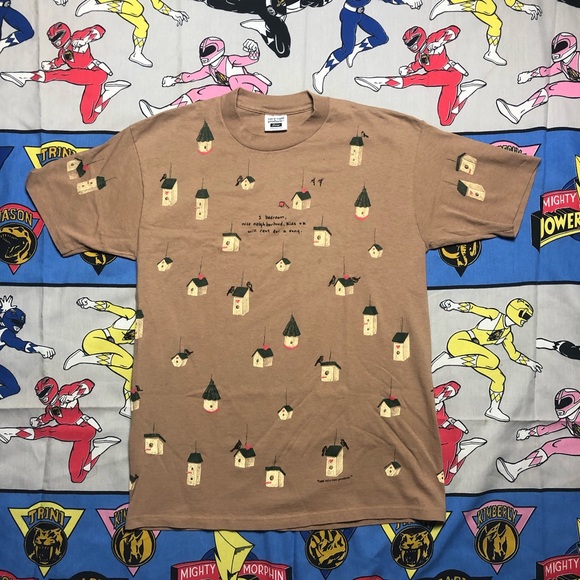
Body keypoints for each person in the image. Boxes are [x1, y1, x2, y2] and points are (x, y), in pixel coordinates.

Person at [432, 297, 542, 422]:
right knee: (493, 360)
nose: (525, 319)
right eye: (525, 315)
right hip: (460, 342)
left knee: (499, 378)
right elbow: (472, 308)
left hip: (474, 353)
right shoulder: (495, 316)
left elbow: (513, 354)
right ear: (516, 311)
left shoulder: (507, 334)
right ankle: (447, 360)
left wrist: (530, 363)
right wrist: (453, 305)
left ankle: (493, 409)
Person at [0, 22, 130, 124]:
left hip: (96, 73)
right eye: (53, 39)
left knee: (61, 75)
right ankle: (109, 92)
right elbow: (59, 61)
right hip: (90, 80)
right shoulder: (63, 52)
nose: (55, 41)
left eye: (57, 37)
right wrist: (50, 64)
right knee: (88, 118)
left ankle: (25, 77)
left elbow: (98, 30)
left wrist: (86, 39)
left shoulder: (76, 37)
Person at [355, 25, 485, 126]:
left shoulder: (432, 39)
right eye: (409, 43)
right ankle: (466, 93)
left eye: (413, 41)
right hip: (447, 81)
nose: (412, 45)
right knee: (445, 120)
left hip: (452, 74)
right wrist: (407, 69)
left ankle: (380, 82)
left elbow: (453, 30)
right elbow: (415, 66)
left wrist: (440, 42)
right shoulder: (419, 56)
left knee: (419, 79)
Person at [0, 377, 120, 483]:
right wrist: (37, 421)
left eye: (45, 392)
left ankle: (11, 432)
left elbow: (88, 384)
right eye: (40, 394)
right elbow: (45, 418)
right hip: (79, 437)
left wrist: (73, 396)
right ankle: (99, 449)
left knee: (47, 431)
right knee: (77, 477)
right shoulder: (50, 409)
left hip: (85, 429)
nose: (43, 396)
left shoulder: (64, 391)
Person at [139, 37, 270, 117]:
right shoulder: (209, 68)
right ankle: (162, 112)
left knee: (234, 80)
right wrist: (174, 80)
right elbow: (192, 76)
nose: (204, 54)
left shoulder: (230, 60)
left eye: (208, 50)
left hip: (253, 89)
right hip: (232, 94)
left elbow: (251, 59)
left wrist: (254, 49)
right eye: (203, 51)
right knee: (197, 93)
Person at [312, 0, 422, 94]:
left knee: (382, 37)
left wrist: (406, 1)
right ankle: (320, 74)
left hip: (359, 15)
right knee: (346, 50)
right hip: (349, 15)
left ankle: (356, 50)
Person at [63, 297, 136, 417]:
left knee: (131, 374)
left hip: (107, 352)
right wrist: (90, 304)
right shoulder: (132, 315)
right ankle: (81, 358)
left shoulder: (141, 332)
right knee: (128, 360)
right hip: (94, 340)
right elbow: (109, 307)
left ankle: (127, 407)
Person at [496, 388, 580, 482]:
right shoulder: (567, 420)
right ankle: (516, 469)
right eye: (558, 403)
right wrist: (528, 432)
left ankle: (516, 469)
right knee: (551, 446)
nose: (560, 406)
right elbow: (548, 428)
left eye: (565, 402)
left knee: (553, 445)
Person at [496, 32, 580, 124]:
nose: (556, 50)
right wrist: (529, 75)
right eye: (555, 47)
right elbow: (547, 71)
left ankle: (518, 111)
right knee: (550, 88)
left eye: (560, 46)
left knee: (553, 88)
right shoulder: (561, 64)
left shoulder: (578, 59)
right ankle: (518, 111)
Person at [75, 0, 189, 67]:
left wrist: (172, 13)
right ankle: (93, 5)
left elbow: (157, 4)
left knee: (142, 25)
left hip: (122, 4)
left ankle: (137, 54)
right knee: (137, 8)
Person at [429, 0, 541, 66]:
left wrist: (525, 7)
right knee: (490, 7)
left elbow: (511, 2)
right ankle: (447, 6)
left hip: (477, 3)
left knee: (496, 23)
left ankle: (491, 52)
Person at [0, 295, 55, 400]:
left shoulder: (3, 326)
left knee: (13, 387)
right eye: (17, 324)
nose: (18, 328)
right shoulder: (5, 333)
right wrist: (39, 349)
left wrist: (4, 309)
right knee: (13, 388)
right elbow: (20, 345)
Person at [434, 380, 486, 484]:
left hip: (445, 436)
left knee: (443, 479)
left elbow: (444, 420)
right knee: (445, 480)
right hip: (444, 437)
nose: (444, 397)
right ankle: (464, 452)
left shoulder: (439, 403)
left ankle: (464, 451)